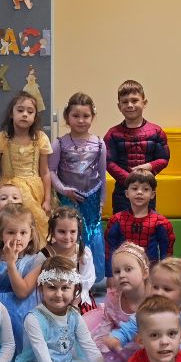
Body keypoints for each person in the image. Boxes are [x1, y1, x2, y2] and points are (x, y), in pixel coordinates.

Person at [13, 256, 115, 362]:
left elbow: (90, 348)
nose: (58, 294)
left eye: (65, 288)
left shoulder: (74, 315)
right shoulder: (34, 319)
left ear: (75, 289)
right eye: (52, 287)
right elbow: (43, 358)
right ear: (41, 288)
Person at [104, 256, 181, 362]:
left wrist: (175, 339)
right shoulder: (147, 311)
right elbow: (126, 330)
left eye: (167, 289)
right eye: (155, 287)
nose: (158, 293)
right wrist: (116, 339)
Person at [50, 92, 107, 279]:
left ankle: (92, 278)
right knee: (70, 232)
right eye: (76, 116)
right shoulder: (59, 144)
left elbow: (102, 175)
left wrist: (101, 201)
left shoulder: (99, 144)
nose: (81, 120)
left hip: (92, 196)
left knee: (92, 231)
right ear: (67, 117)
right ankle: (68, 273)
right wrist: (63, 190)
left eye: (86, 116)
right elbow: (51, 171)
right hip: (68, 197)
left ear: (92, 117)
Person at [0, 89, 52, 242]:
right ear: (11, 113)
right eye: (20, 110)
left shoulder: (40, 139)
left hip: (35, 190)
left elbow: (45, 172)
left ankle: (33, 252)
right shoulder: (1, 139)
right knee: (10, 223)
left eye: (30, 111)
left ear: (35, 116)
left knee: (33, 224)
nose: (25, 114)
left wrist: (47, 199)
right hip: (9, 188)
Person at [104, 79, 169, 216]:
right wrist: (129, 180)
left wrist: (148, 167)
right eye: (125, 102)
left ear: (144, 103)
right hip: (122, 193)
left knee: (148, 224)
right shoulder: (112, 134)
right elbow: (108, 162)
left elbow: (164, 158)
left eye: (134, 100)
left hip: (147, 191)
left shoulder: (156, 131)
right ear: (119, 106)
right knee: (122, 225)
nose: (130, 105)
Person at [87, 242, 149, 362]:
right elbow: (107, 323)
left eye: (128, 269)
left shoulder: (153, 298)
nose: (121, 275)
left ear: (144, 273)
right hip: (118, 341)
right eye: (117, 271)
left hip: (146, 344)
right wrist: (103, 347)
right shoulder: (114, 297)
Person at [0, 206, 45, 352]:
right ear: (1, 234)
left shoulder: (36, 260)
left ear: (31, 235)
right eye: (11, 232)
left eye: (23, 232)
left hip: (22, 315)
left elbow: (22, 292)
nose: (17, 238)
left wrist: (11, 263)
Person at [103, 169, 173, 277]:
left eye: (145, 189)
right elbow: (109, 249)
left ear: (152, 194)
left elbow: (167, 253)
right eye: (135, 188)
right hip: (123, 274)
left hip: (150, 275)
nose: (139, 192)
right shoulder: (116, 220)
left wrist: (164, 275)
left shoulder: (161, 223)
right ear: (127, 193)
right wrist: (110, 275)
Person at [44, 205, 96, 313]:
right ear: (53, 231)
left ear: (78, 232)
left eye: (72, 232)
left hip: (78, 300)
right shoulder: (45, 254)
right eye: (62, 231)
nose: (67, 237)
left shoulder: (83, 253)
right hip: (52, 300)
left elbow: (87, 281)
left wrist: (74, 304)